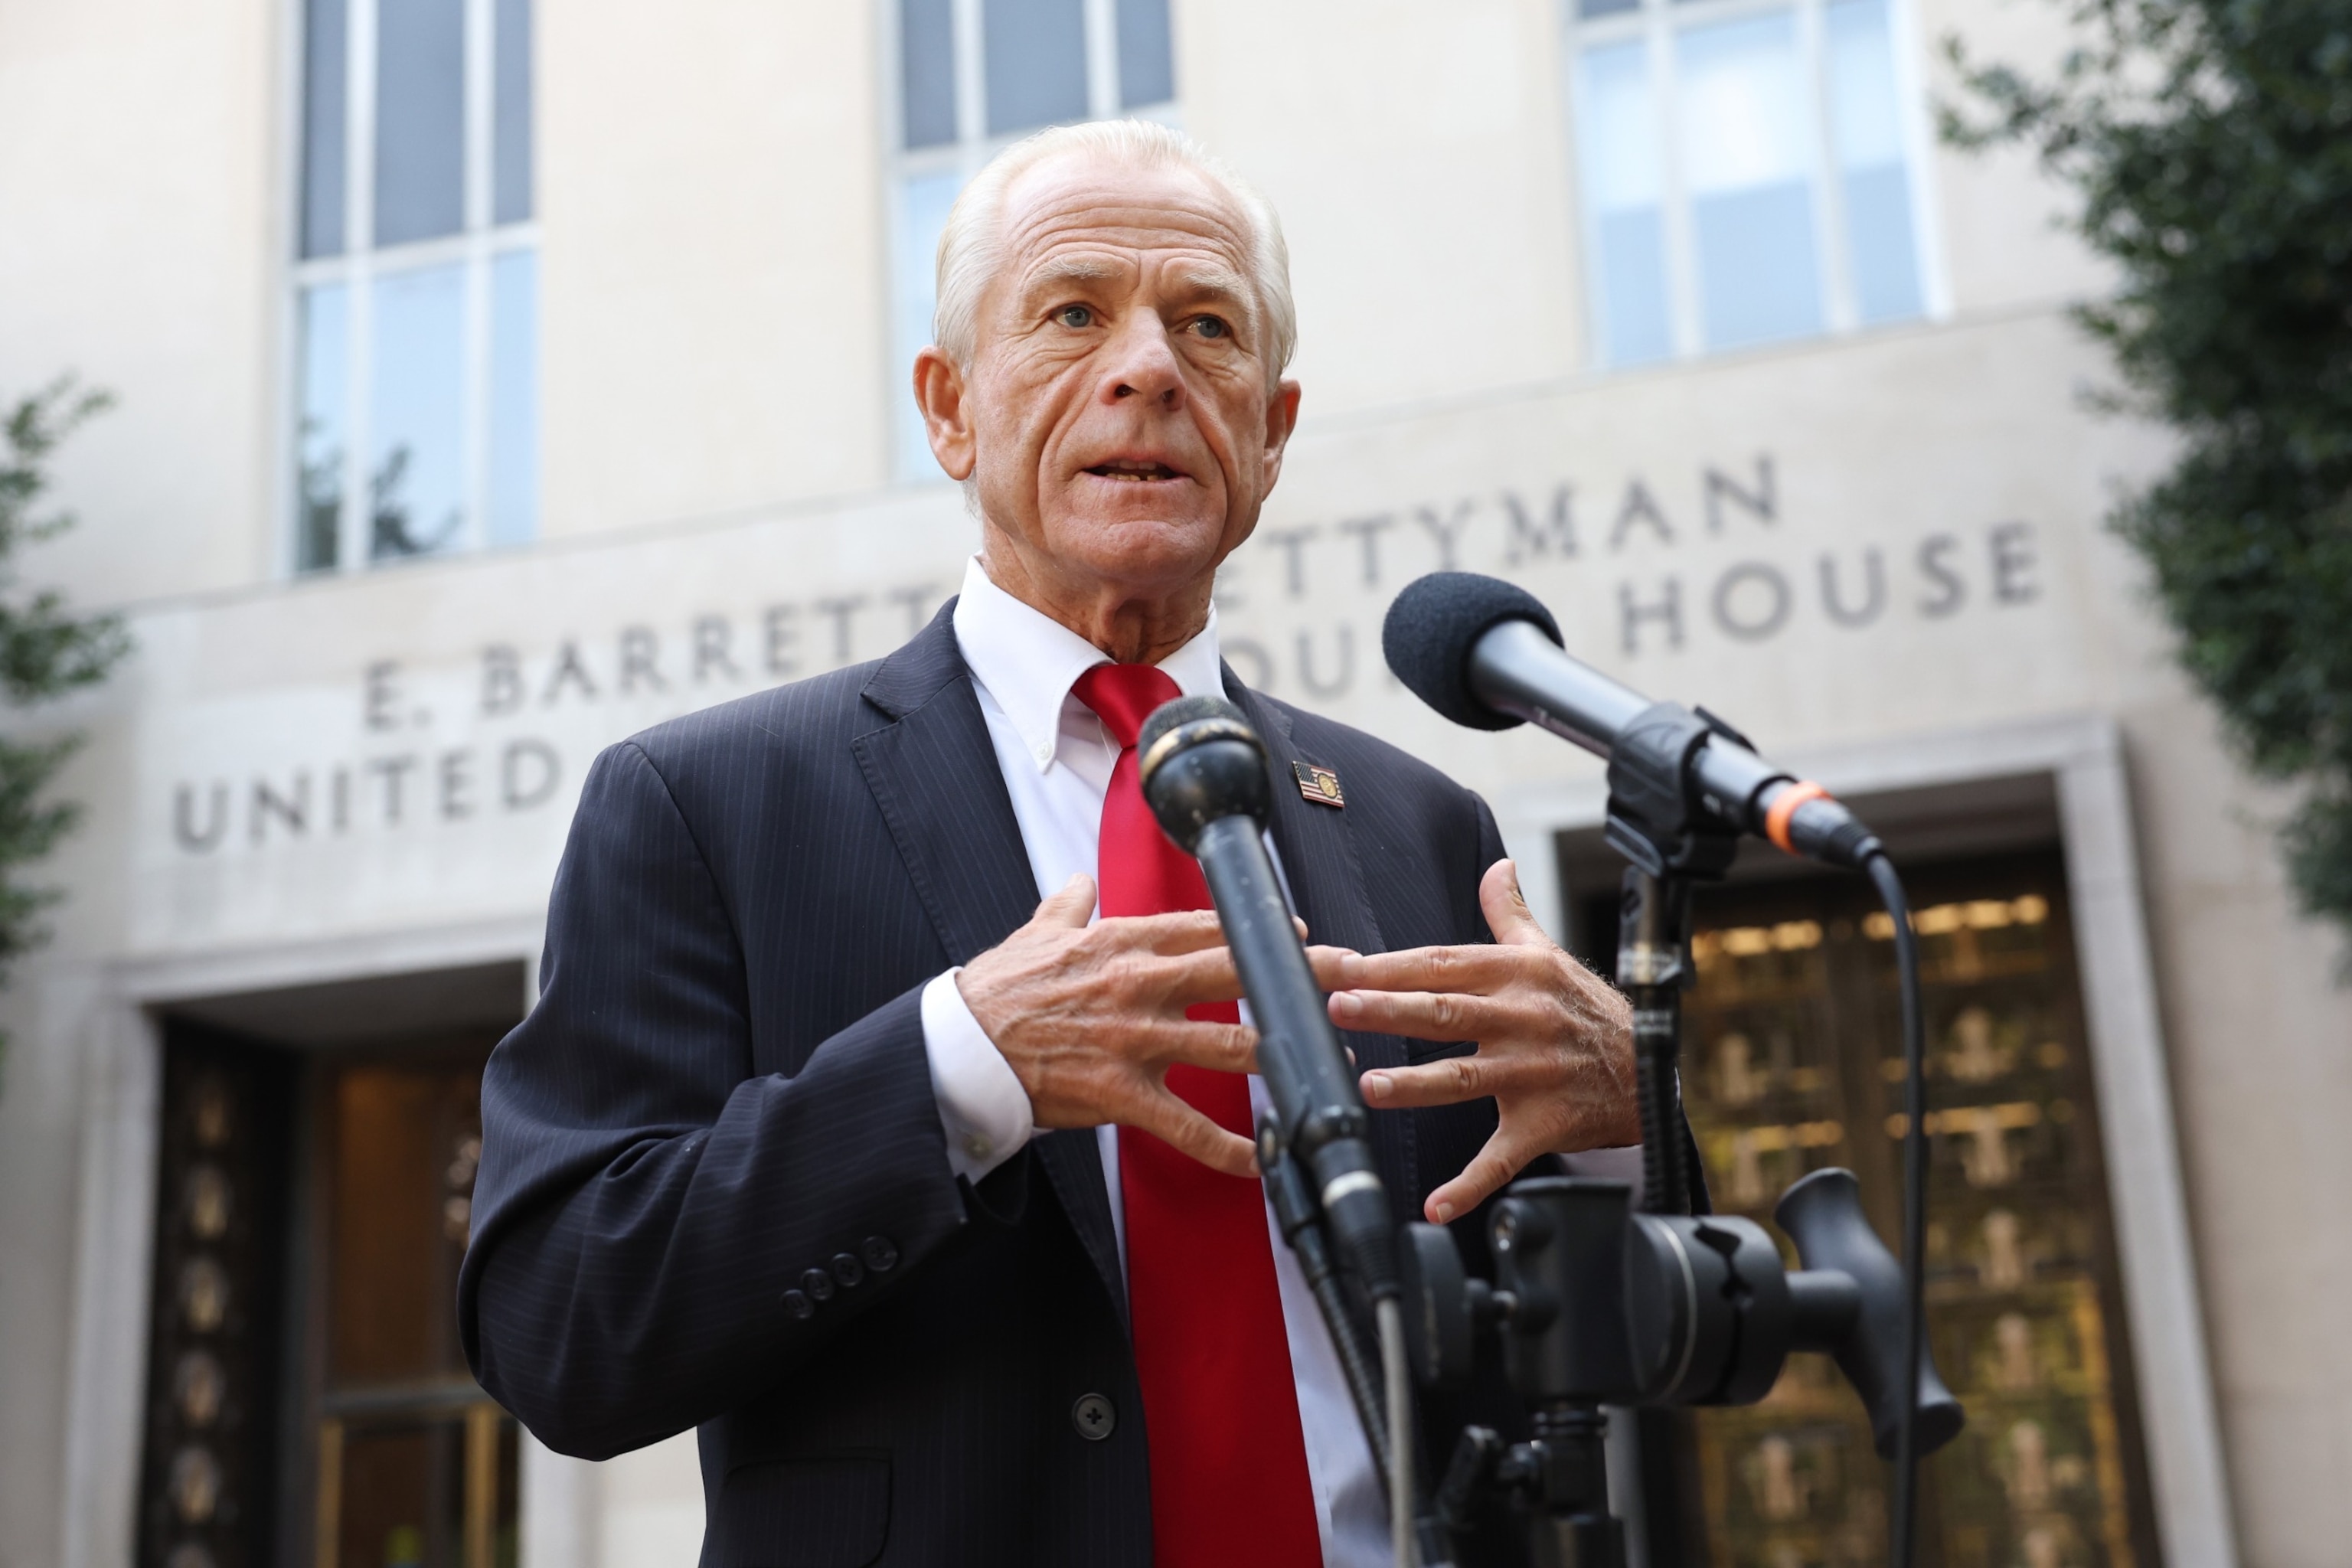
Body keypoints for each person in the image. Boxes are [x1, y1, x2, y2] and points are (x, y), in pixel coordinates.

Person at [460, 119, 1655, 1568]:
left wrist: (1622, 1121)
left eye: (1205, 327)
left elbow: (1627, 1357)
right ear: (952, 408)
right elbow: (563, 1326)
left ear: (1270, 435)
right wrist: (958, 1067)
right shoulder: (709, 804)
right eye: (1075, 312)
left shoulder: (1421, 825)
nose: (1148, 367)